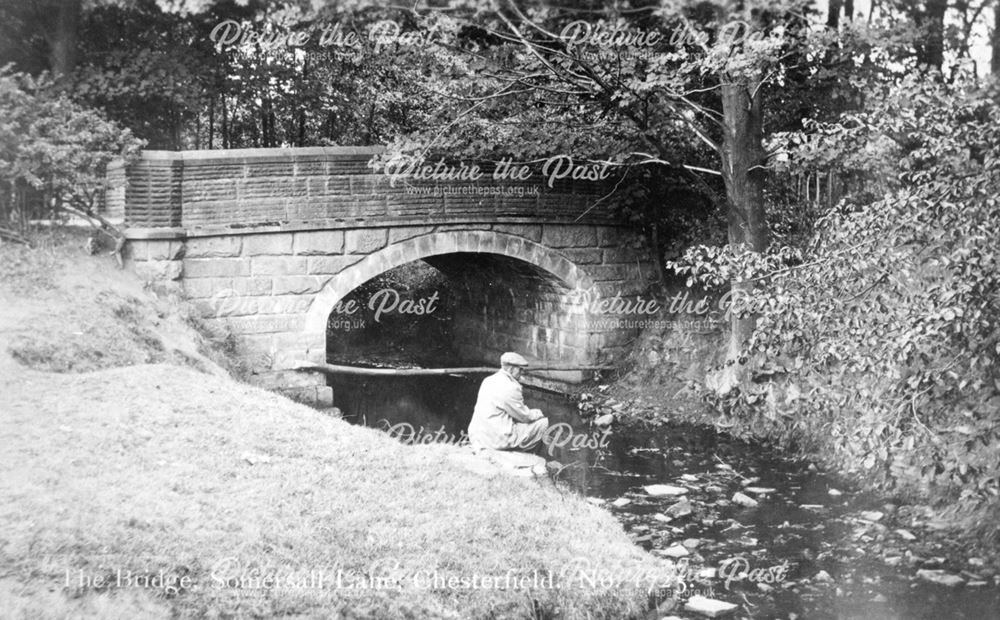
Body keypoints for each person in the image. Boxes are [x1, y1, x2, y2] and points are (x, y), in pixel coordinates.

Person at [468, 352, 549, 451]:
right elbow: (524, 417)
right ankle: (528, 454)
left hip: (477, 436)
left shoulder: (488, 380)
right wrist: (537, 413)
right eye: (520, 369)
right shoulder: (511, 387)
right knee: (543, 423)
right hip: (496, 440)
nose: (522, 372)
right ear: (511, 369)